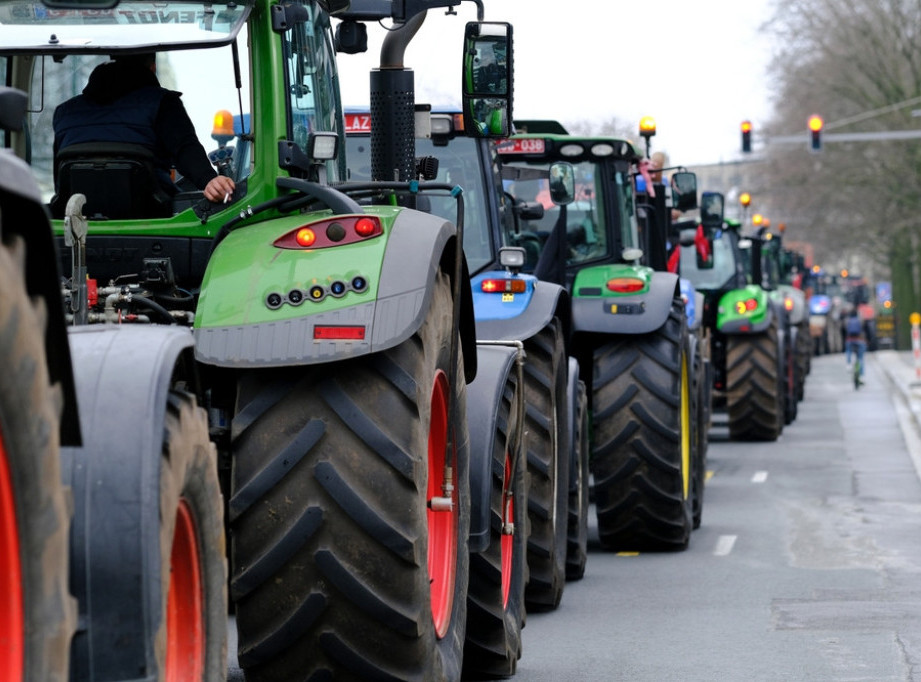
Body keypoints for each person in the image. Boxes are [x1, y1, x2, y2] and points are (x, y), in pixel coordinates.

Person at [53, 53, 234, 204]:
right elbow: (185, 149)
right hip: (153, 214)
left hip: (78, 221)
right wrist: (209, 180)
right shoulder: (162, 103)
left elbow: (60, 181)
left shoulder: (64, 112)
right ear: (152, 68)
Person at [844, 308, 867, 380]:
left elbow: (845, 329)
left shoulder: (847, 320)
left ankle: (849, 364)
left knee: (848, 351)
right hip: (860, 341)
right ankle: (862, 376)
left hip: (850, 340)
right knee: (860, 359)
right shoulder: (860, 320)